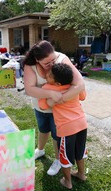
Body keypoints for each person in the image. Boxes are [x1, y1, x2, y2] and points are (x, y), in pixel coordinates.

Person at [23, 40, 85, 176]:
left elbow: (80, 85)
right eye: (46, 63)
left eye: (53, 60)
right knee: (43, 129)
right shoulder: (30, 65)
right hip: (39, 107)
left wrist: (56, 100)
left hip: (59, 112)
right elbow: (29, 89)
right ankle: (40, 150)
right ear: (37, 60)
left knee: (57, 136)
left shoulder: (62, 59)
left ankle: (58, 160)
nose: (51, 65)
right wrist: (51, 94)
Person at [38, 63, 87, 189]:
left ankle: (67, 181)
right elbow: (83, 96)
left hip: (66, 127)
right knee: (79, 151)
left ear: (58, 83)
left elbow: (42, 106)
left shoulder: (48, 88)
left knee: (65, 156)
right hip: (81, 123)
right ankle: (81, 174)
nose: (46, 76)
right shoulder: (74, 86)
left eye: (49, 76)